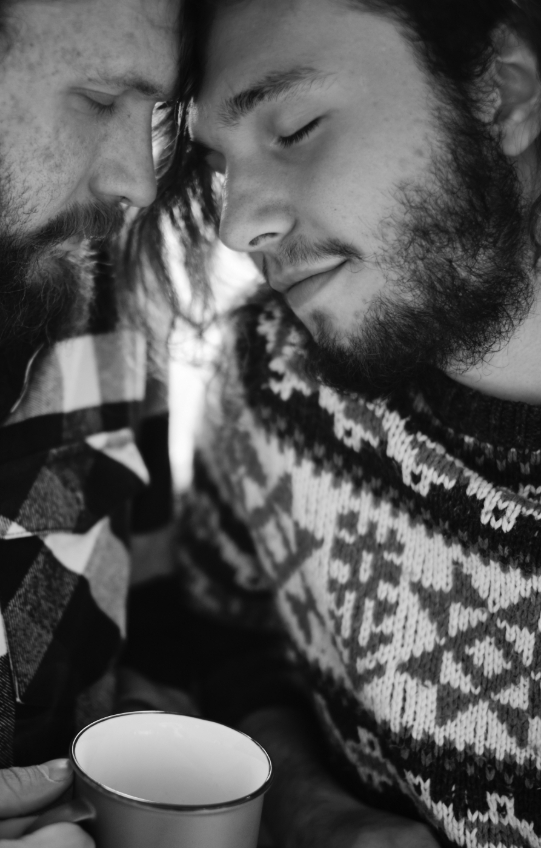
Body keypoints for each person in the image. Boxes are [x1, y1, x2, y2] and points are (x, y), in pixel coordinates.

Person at [152, 0, 541, 846]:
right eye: (221, 166)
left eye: (294, 129)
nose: (237, 226)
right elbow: (215, 646)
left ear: (502, 94)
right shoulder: (270, 370)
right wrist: (308, 809)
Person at [0, 0, 189, 844]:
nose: (138, 181)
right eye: (102, 99)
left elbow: (163, 618)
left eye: (159, 114)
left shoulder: (91, 295)